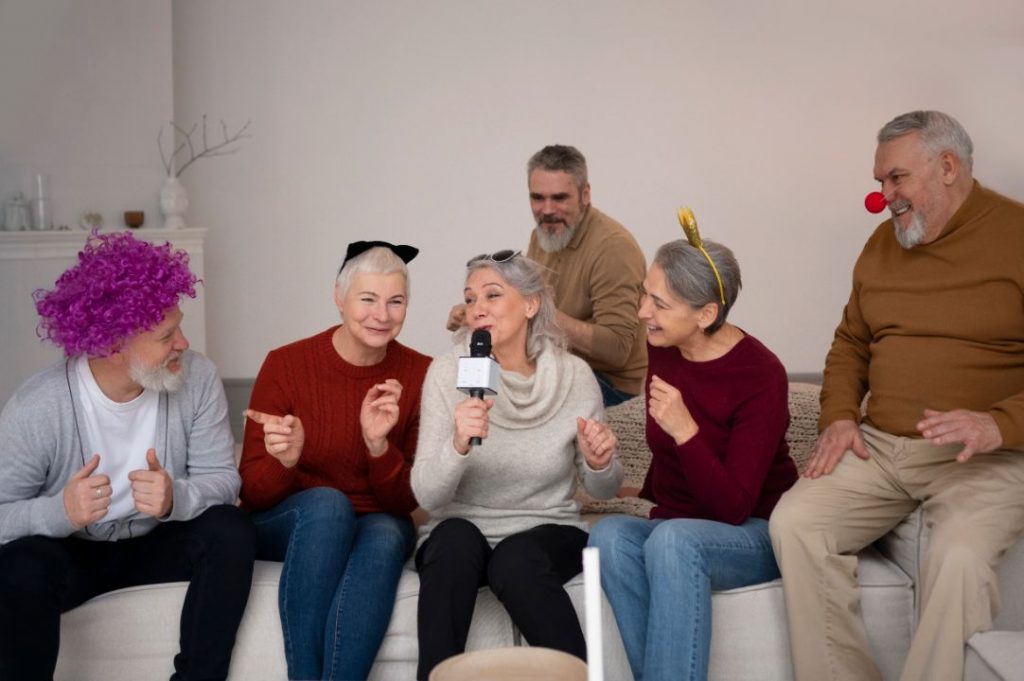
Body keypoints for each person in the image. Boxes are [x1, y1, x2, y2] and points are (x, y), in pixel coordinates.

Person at [769, 110, 1024, 681]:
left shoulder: (1017, 237)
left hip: (983, 458)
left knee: (958, 560)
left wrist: (998, 423)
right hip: (881, 451)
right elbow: (850, 343)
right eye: (880, 181)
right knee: (796, 523)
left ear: (948, 167)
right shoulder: (883, 246)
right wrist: (837, 416)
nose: (883, 195)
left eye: (896, 178)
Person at [0, 231, 255, 681]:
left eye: (179, 326)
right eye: (166, 335)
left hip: (158, 543)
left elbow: (223, 479)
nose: (183, 343)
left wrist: (175, 497)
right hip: (74, 553)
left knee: (229, 529)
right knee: (22, 565)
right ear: (111, 347)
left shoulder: (197, 377)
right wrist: (60, 512)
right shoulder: (39, 405)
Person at [588, 229, 798, 681]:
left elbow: (734, 507)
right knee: (608, 538)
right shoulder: (663, 346)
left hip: (754, 531)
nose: (644, 313)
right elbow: (665, 465)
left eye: (659, 304)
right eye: (645, 295)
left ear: (706, 314)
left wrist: (687, 431)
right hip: (677, 525)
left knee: (673, 540)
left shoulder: (761, 374)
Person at [413, 250, 624, 680]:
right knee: (452, 542)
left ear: (530, 305)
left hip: (547, 529)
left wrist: (600, 462)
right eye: (470, 299)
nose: (479, 309)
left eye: (492, 295)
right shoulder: (447, 373)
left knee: (515, 558)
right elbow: (428, 496)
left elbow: (604, 489)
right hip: (461, 529)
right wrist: (456, 445)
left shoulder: (575, 376)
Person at [240, 241, 431, 681]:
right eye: (368, 299)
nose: (381, 315)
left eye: (395, 301)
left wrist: (378, 445)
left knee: (387, 533)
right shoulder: (286, 364)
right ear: (339, 297)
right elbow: (252, 491)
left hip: (377, 517)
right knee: (328, 505)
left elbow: (405, 501)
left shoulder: (420, 373)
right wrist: (286, 459)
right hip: (295, 517)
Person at [448, 145, 647, 406]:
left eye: (560, 198)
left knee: (499, 401)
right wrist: (481, 309)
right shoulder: (544, 234)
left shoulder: (613, 248)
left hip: (610, 385)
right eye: (538, 198)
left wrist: (538, 310)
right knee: (460, 381)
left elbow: (618, 350)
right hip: (558, 366)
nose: (547, 209)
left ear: (585, 194)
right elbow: (526, 303)